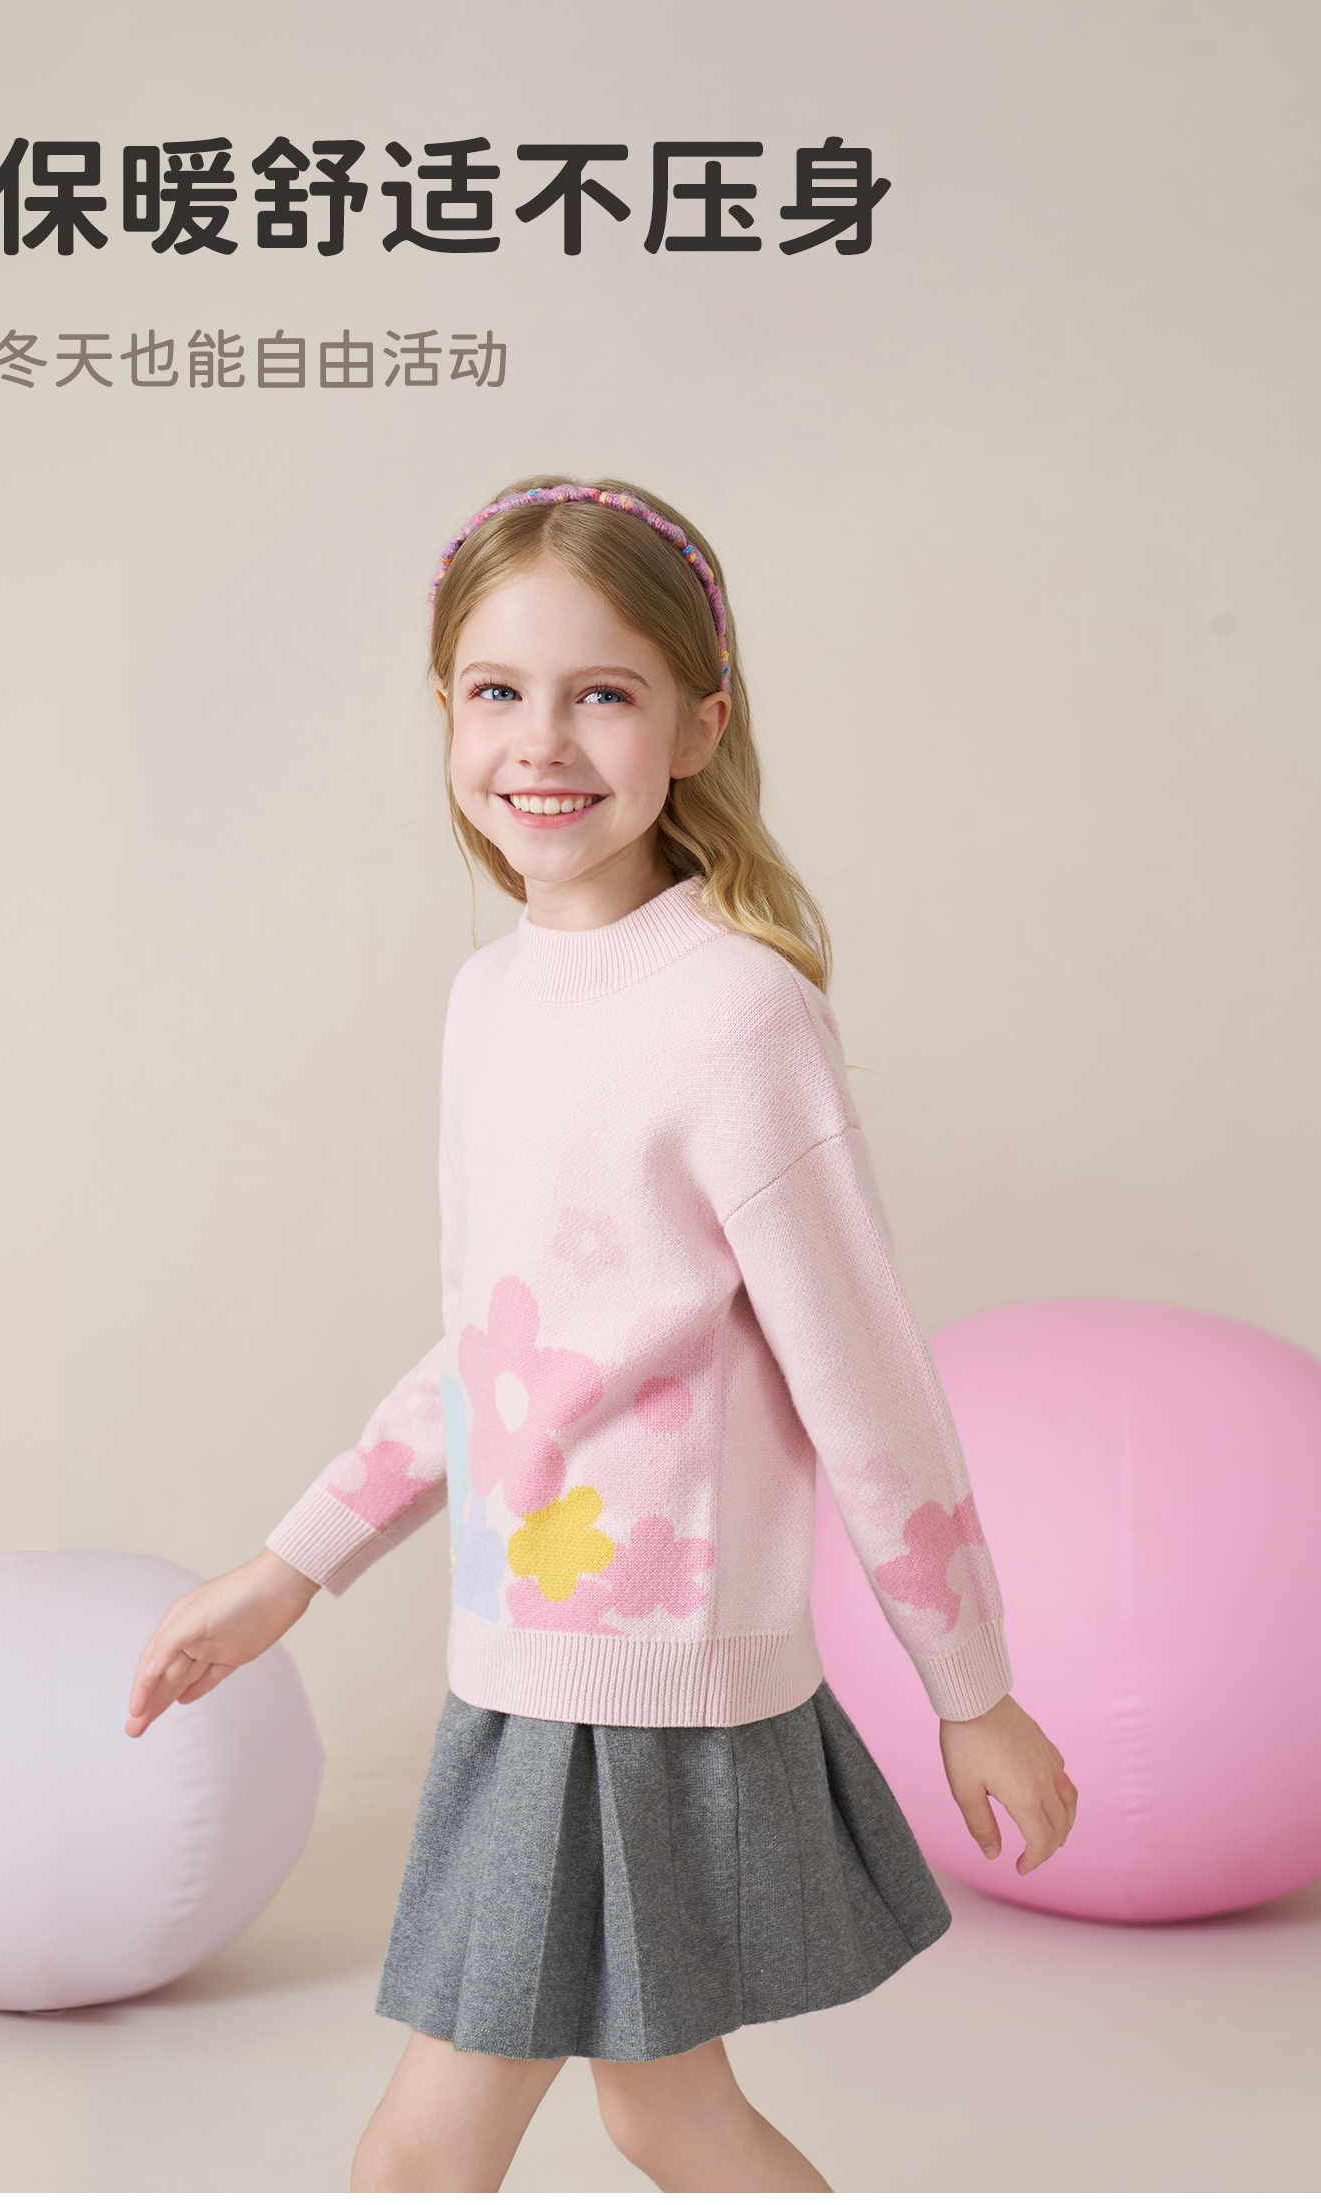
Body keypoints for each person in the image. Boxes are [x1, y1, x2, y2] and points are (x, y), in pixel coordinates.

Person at [126, 476, 1078, 2193]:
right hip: (523, 1666)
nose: (542, 742)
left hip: (641, 1694)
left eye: (605, 691)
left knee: (422, 2154)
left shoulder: (735, 1013)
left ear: (702, 722)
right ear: (444, 710)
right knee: (669, 2113)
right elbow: (497, 1352)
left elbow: (861, 1373)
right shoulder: (489, 998)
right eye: (498, 689)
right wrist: (290, 1568)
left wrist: (973, 1685)